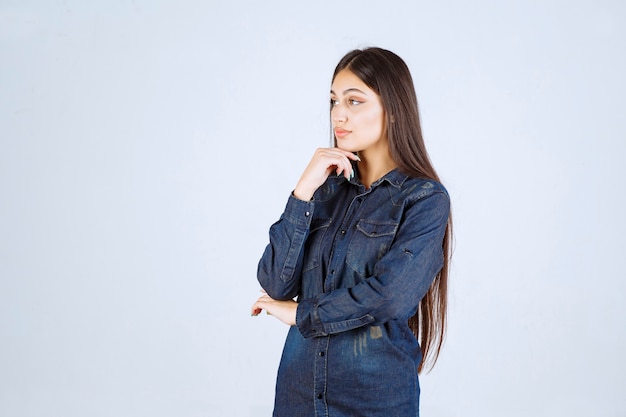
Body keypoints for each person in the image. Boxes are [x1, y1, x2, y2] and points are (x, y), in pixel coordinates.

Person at [251, 46, 453, 417]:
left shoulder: (424, 199)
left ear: (393, 111)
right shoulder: (324, 191)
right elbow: (276, 284)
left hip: (374, 398)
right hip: (299, 395)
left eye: (354, 101)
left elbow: (390, 297)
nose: (338, 114)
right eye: (333, 101)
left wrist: (302, 315)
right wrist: (302, 191)